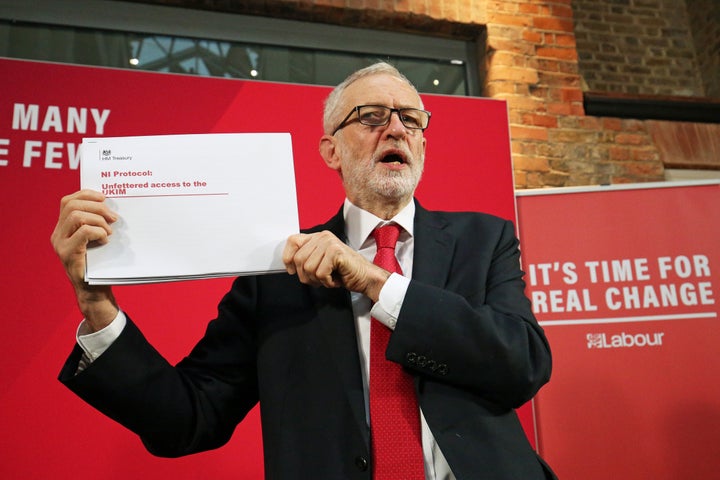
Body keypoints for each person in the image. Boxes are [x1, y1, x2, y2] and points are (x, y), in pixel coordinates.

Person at [52, 62, 556, 479]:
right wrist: (96, 306)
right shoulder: (275, 270)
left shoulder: (483, 240)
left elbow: (522, 365)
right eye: (372, 116)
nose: (397, 128)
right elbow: (189, 419)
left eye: (411, 118)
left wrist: (375, 281)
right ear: (330, 150)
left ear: (423, 142)